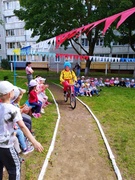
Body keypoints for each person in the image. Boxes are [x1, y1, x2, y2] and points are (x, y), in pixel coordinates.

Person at [0, 81, 43, 180]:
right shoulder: (12, 109)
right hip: (6, 146)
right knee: (15, 168)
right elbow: (23, 127)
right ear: (9, 94)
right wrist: (34, 142)